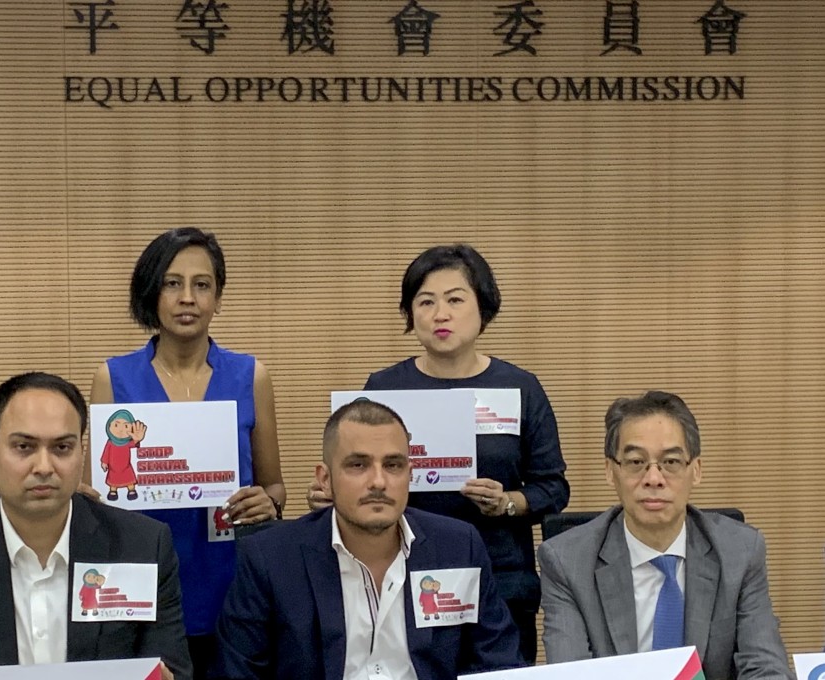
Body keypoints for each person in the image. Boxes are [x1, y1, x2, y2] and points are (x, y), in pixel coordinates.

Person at [308, 244, 568, 664]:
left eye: (455, 300)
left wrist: (506, 503)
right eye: (425, 302)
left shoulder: (519, 387)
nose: (439, 314)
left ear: (483, 309)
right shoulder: (385, 387)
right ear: (411, 314)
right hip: (397, 571)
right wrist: (331, 494)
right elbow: (355, 464)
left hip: (497, 572)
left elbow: (553, 488)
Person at [0, 372, 191, 680]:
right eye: (24, 447)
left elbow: (173, 668)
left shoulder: (142, 546)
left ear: (82, 454)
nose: (44, 467)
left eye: (62, 448)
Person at [87, 227, 285, 679]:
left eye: (202, 284)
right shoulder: (112, 378)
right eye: (172, 283)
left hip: (231, 579)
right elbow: (98, 493)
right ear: (152, 292)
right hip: (142, 581)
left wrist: (269, 501)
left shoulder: (251, 375)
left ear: (217, 296)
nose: (188, 298)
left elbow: (274, 486)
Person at [211, 399, 523, 680]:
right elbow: (238, 672)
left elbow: (498, 663)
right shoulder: (270, 558)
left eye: (393, 465)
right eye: (358, 465)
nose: (378, 482)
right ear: (325, 479)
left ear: (410, 475)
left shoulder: (459, 547)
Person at [538, 391, 792, 680]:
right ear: (611, 471)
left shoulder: (741, 552)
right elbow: (572, 675)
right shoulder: (567, 562)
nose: (654, 478)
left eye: (670, 462)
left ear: (695, 470)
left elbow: (766, 667)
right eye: (636, 462)